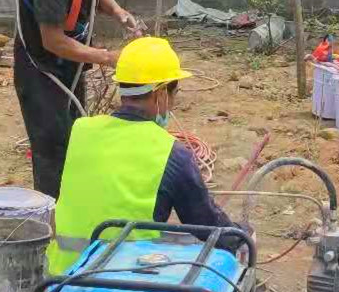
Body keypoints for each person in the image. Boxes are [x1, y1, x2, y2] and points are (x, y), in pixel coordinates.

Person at [48, 36, 243, 275]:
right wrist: (239, 237)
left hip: (59, 283)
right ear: (161, 93)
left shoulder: (81, 130)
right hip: (122, 289)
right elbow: (208, 225)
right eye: (174, 93)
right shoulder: (171, 154)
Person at [14, 0, 141, 199]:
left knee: (73, 137)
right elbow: (53, 41)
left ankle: (71, 204)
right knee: (52, 146)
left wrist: (119, 12)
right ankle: (51, 217)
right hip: (41, 70)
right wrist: (108, 58)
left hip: (69, 66)